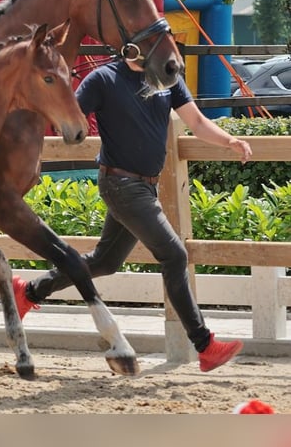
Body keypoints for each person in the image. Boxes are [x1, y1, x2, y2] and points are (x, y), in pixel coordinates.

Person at [13, 54, 253, 373]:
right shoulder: (104, 79)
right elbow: (64, 117)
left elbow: (195, 122)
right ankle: (205, 345)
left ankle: (29, 291)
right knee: (175, 256)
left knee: (105, 261)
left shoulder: (167, 76)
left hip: (144, 187)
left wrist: (230, 140)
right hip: (121, 184)